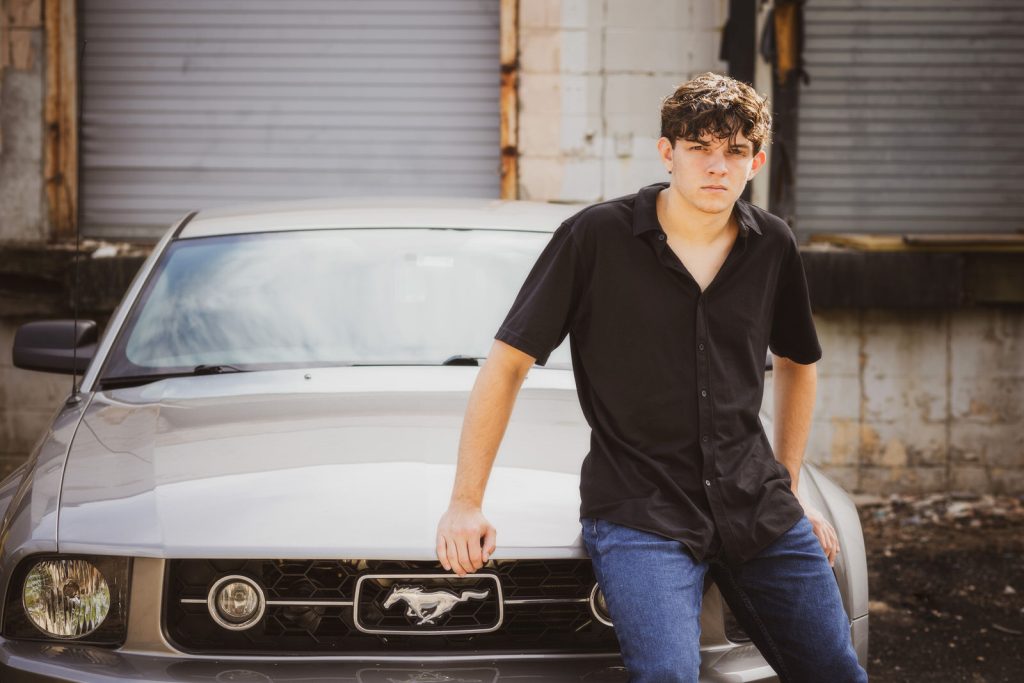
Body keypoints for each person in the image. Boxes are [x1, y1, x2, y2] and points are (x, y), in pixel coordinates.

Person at [435, 72, 867, 682]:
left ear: (757, 161)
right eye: (699, 149)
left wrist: (789, 483)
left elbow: (799, 363)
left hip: (755, 504)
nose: (717, 167)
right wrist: (465, 502)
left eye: (735, 152)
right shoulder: (596, 237)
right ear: (668, 152)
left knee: (836, 672)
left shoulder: (772, 244)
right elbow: (506, 366)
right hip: (641, 510)